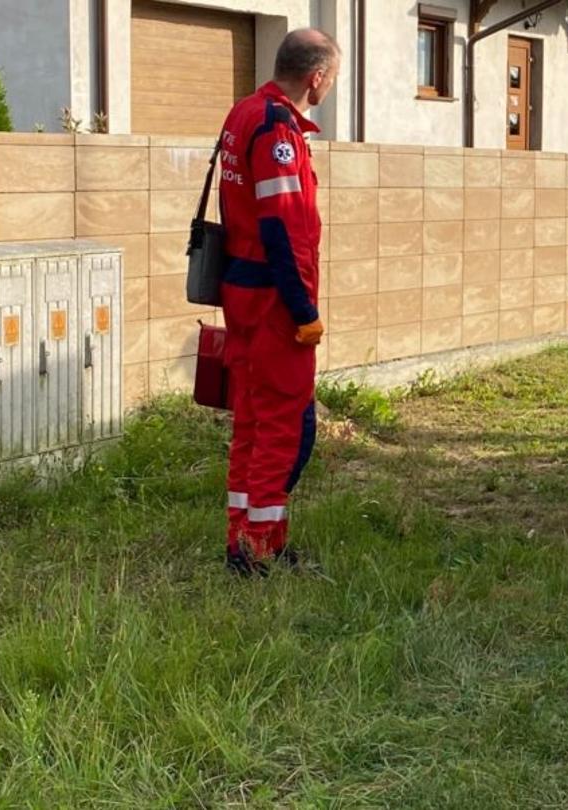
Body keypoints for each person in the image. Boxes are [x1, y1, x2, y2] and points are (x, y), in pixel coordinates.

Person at [217, 28, 338, 576]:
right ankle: (261, 546)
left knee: (251, 421)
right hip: (274, 301)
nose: (329, 87)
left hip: (243, 290)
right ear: (316, 77)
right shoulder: (278, 130)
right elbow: (283, 230)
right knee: (283, 427)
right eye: (331, 79)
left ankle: (241, 539)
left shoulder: (245, 113)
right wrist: (303, 312)